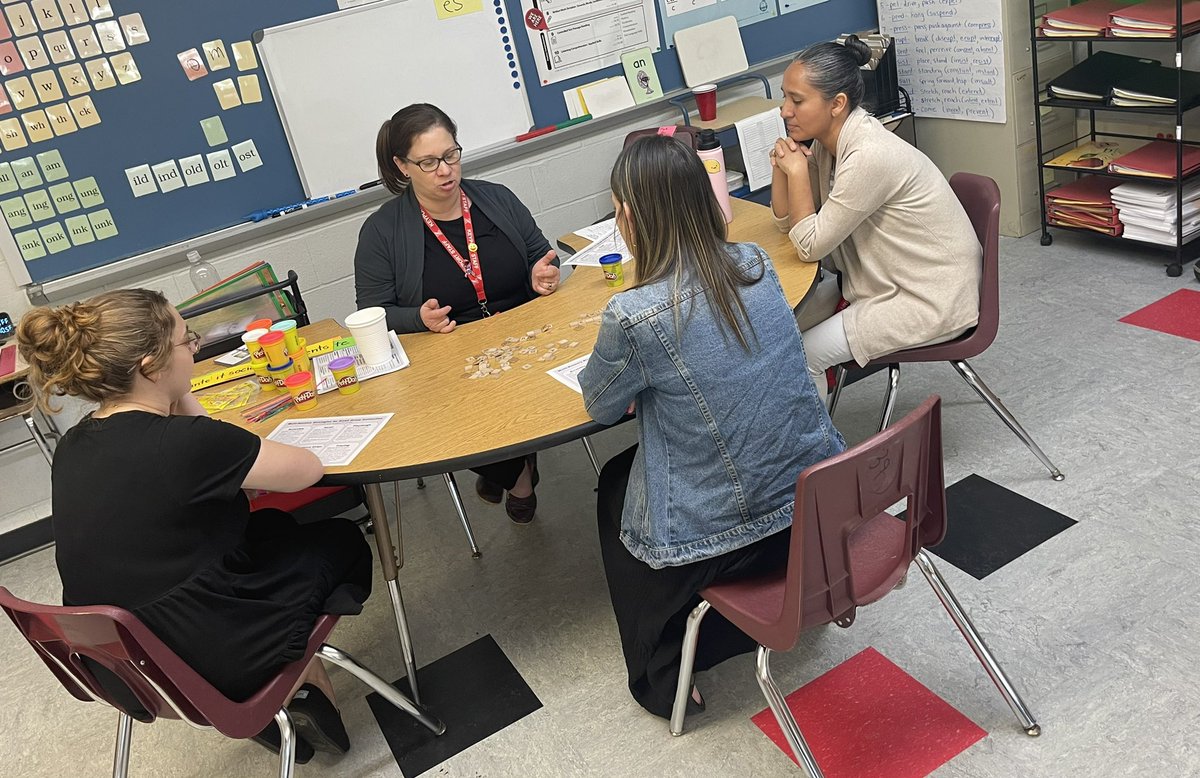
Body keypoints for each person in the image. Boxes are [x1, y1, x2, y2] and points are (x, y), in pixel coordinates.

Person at [16, 290, 373, 764]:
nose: (198, 349)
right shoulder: (186, 443)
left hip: (121, 663)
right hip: (208, 654)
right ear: (150, 365)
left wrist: (173, 390)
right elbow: (306, 470)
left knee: (266, 528)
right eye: (188, 341)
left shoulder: (74, 445)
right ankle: (291, 684)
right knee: (339, 539)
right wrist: (182, 396)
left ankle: (294, 692)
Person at [578, 136, 845, 719]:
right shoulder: (752, 263)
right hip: (814, 500)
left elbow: (598, 405)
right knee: (642, 467)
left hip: (732, 535)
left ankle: (662, 676)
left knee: (614, 491)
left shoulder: (634, 315)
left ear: (629, 216)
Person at [355, 103, 558, 522]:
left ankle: (506, 463)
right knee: (451, 422)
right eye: (428, 162)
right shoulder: (381, 230)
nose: (445, 171)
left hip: (524, 341)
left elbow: (543, 254)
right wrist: (417, 319)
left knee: (520, 398)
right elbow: (372, 314)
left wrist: (544, 274)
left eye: (451, 155)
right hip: (449, 359)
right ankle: (517, 473)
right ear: (402, 166)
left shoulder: (497, 198)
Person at [770, 36, 983, 403]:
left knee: (803, 356)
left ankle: (818, 458)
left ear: (837, 104)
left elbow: (809, 246)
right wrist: (783, 168)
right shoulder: (828, 144)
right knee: (774, 337)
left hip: (928, 297)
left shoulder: (869, 155)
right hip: (883, 281)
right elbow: (788, 225)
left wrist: (799, 174)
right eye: (785, 97)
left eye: (797, 100)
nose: (784, 110)